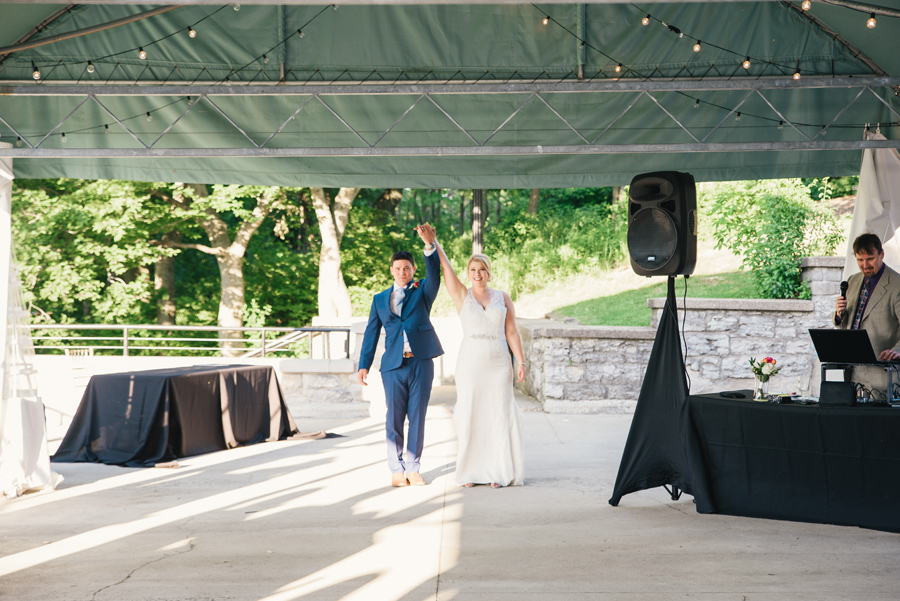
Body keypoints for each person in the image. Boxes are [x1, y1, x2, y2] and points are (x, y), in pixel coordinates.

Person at [419, 223, 525, 488]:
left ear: (488, 273)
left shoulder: (503, 297)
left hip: (500, 364)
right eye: (473, 270)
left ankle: (498, 471)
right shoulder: (461, 295)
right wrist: (433, 242)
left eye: (482, 270)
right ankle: (471, 472)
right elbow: (446, 269)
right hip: (471, 364)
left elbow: (512, 332)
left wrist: (520, 361)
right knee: (470, 414)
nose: (477, 274)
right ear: (468, 273)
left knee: (498, 415)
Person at [358, 226, 443, 487]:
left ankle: (413, 468)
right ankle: (396, 469)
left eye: (407, 268)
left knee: (417, 416)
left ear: (413, 270)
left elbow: (435, 274)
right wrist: (364, 365)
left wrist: (430, 247)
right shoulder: (380, 299)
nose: (402, 272)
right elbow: (372, 332)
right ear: (391, 270)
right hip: (392, 366)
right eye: (398, 268)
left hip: (421, 362)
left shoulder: (423, 291)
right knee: (393, 416)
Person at [833, 232, 900, 392]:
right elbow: (847, 323)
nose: (865, 265)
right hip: (853, 373)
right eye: (860, 260)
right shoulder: (852, 281)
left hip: (884, 375)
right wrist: (838, 314)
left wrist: (896, 351)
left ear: (882, 254)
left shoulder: (897, 284)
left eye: (870, 258)